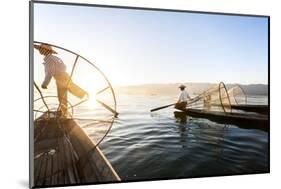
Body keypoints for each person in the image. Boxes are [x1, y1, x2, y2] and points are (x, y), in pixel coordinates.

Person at [34, 44, 88, 117]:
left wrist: (45, 84)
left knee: (62, 95)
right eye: (40, 49)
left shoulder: (49, 59)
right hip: (64, 76)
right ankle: (64, 110)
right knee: (64, 94)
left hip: (61, 77)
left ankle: (83, 95)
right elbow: (63, 67)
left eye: (41, 49)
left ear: (46, 50)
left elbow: (50, 72)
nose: (40, 50)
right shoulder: (54, 58)